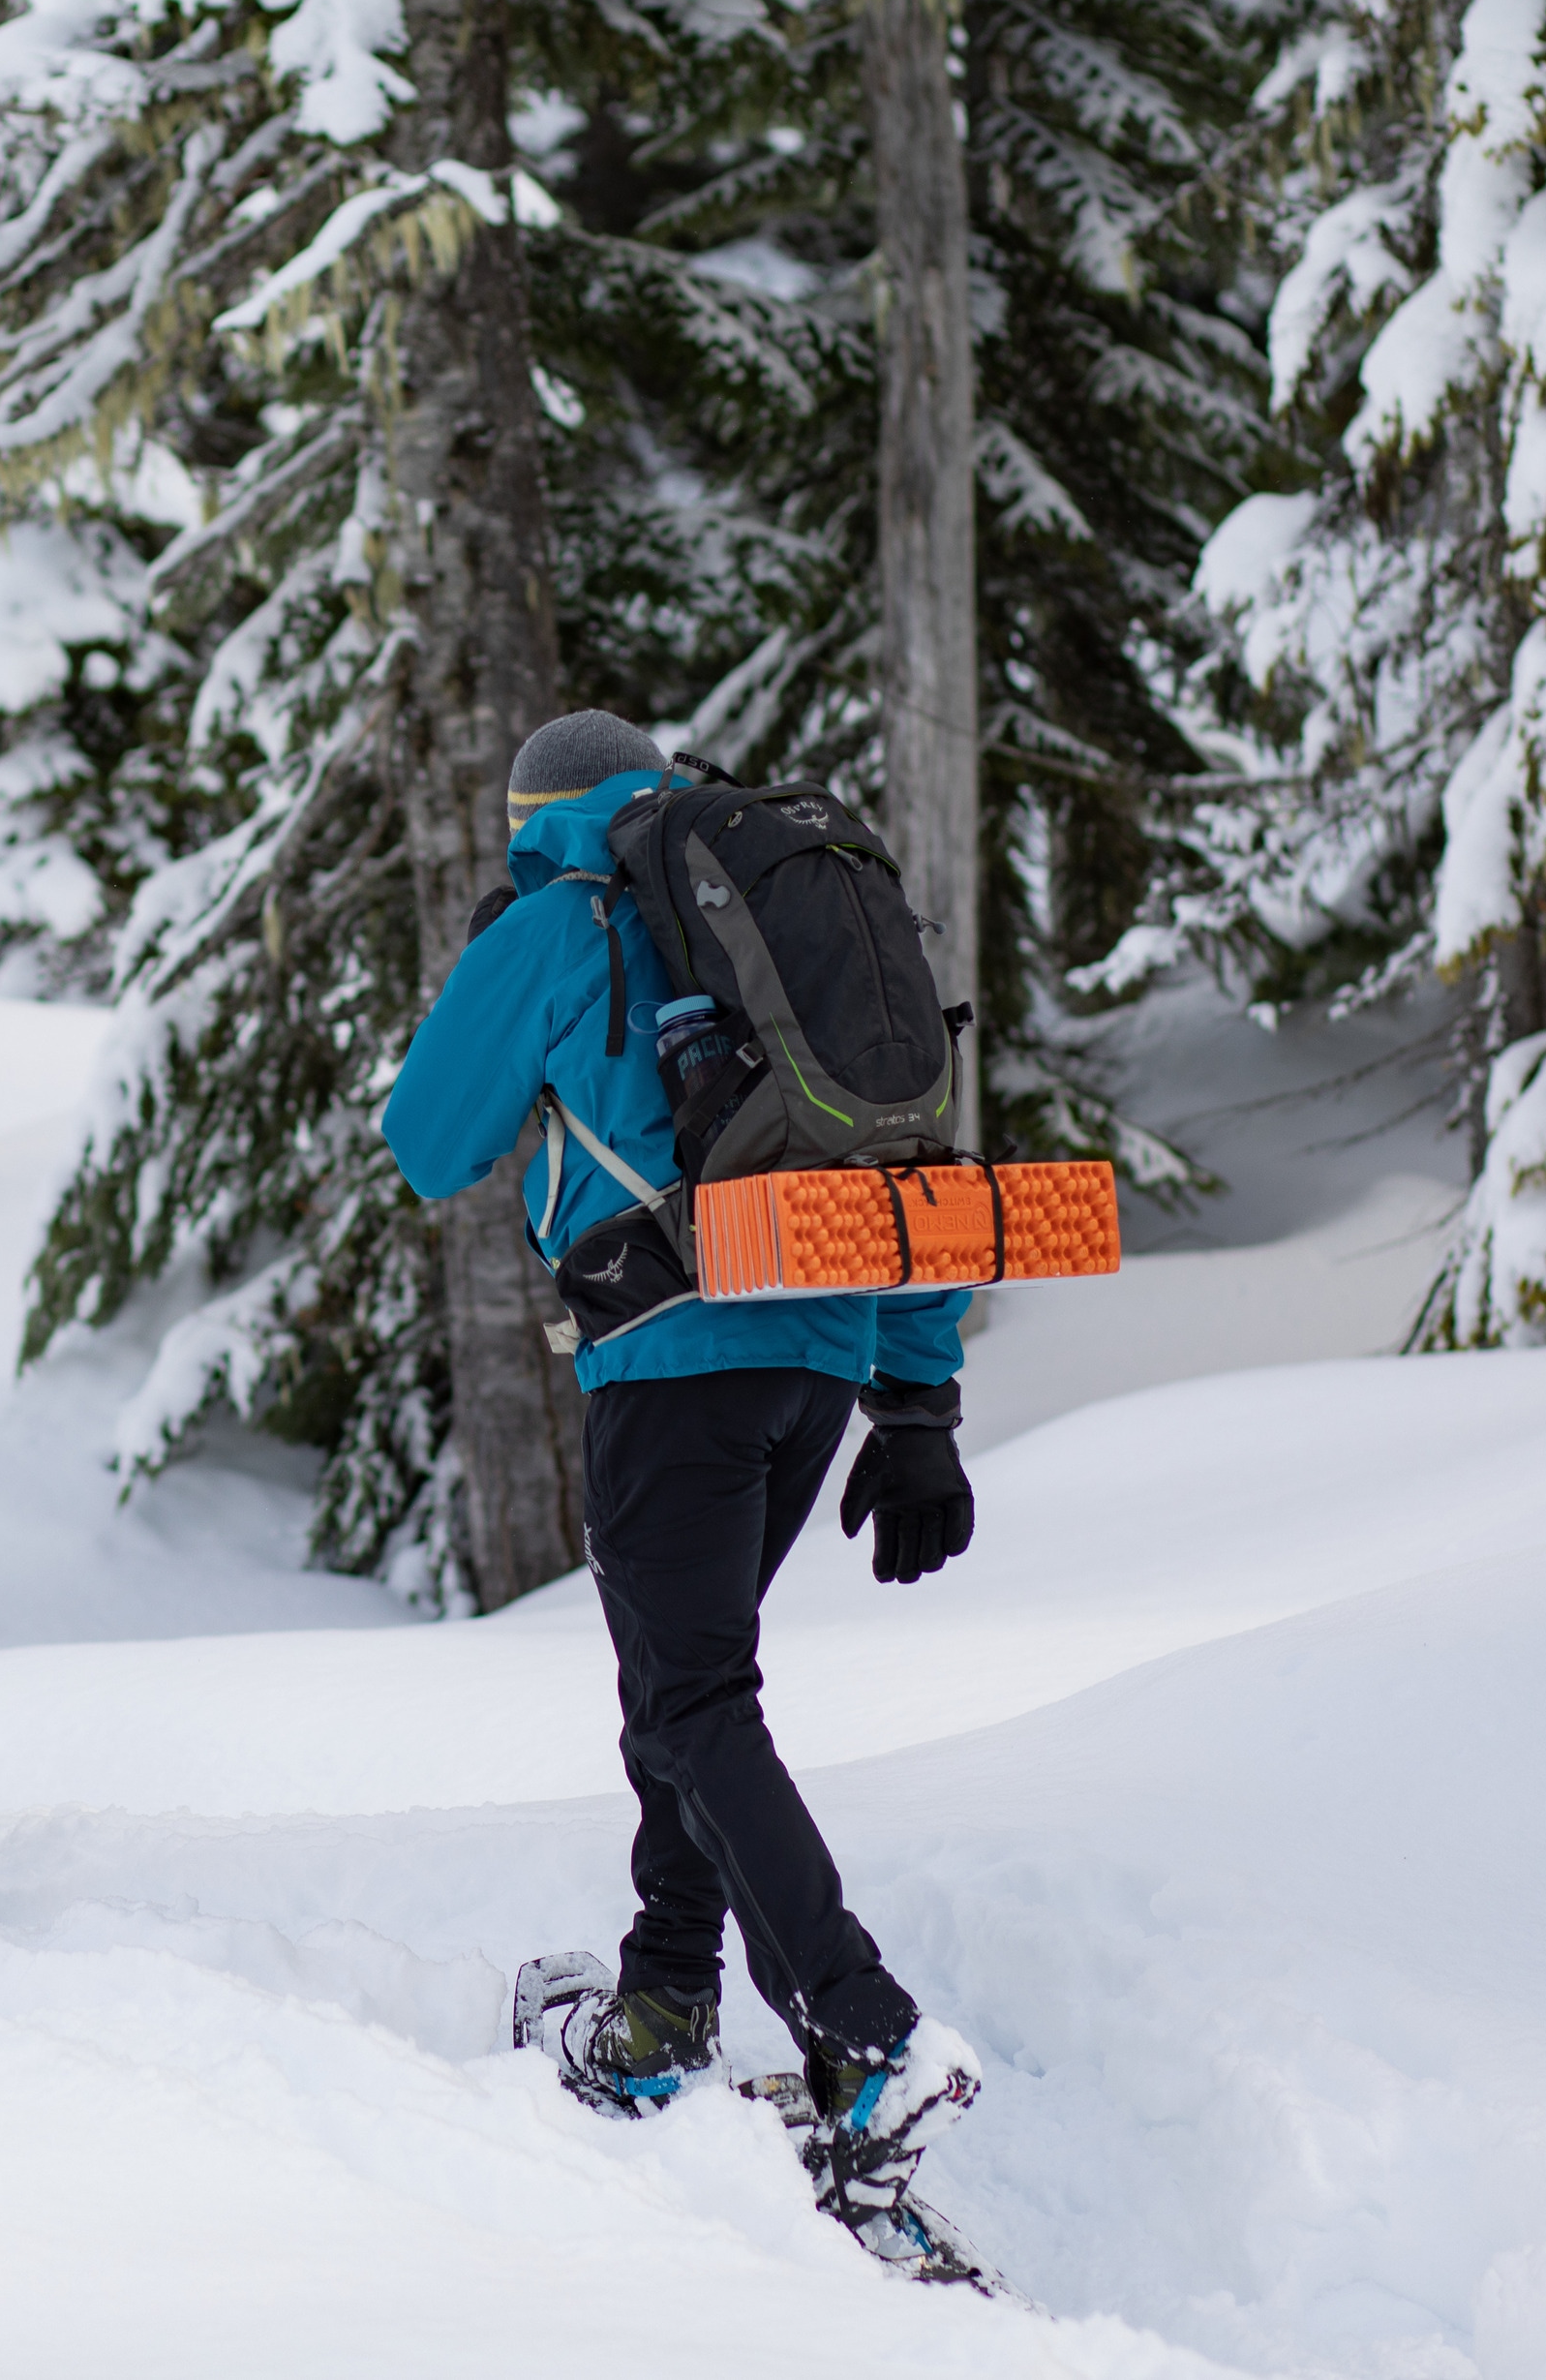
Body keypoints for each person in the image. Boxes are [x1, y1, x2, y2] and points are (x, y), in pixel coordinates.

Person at [380, 710, 988, 2207]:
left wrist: (504, 967)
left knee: (694, 1694)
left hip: (670, 1362)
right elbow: (895, 1161)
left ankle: (863, 2029)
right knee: (684, 1692)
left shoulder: (559, 916)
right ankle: (664, 2002)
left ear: (539, 816)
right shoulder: (780, 914)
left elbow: (430, 1139)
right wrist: (918, 1410)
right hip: (827, 1355)